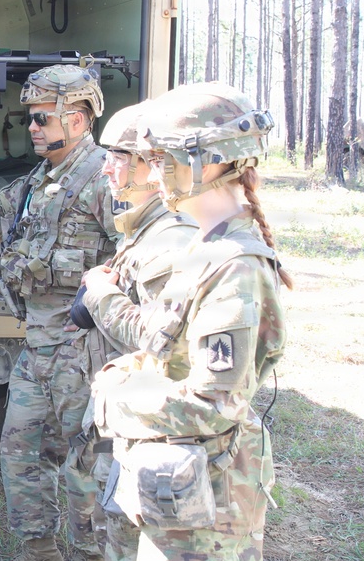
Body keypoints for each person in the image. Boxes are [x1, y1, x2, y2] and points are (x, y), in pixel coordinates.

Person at [88, 82, 291, 560]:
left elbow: (213, 405)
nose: (153, 173)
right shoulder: (207, 247)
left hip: (211, 506)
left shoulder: (235, 266)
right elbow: (169, 346)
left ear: (204, 161)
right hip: (181, 487)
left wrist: (115, 398)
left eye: (161, 159)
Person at [0, 64, 119, 561]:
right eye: (31, 119)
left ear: (77, 120)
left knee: (86, 468)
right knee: (19, 457)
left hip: (84, 355)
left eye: (41, 119)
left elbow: (141, 254)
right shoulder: (43, 178)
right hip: (36, 351)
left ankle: (91, 553)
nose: (32, 128)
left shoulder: (106, 178)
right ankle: (38, 551)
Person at [62, 101, 198, 561]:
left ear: (152, 165)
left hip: (150, 421)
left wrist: (101, 294)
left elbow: (162, 340)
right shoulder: (141, 230)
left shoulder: (170, 239)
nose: (106, 170)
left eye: (118, 159)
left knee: (123, 534)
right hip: (122, 411)